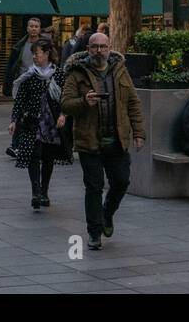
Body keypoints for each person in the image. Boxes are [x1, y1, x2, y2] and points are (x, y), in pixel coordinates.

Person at [61, 31, 146, 250]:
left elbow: (133, 103)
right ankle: (94, 232)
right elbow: (65, 104)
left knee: (121, 182)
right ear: (88, 49)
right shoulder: (76, 73)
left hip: (117, 140)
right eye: (95, 47)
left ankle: (107, 213)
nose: (99, 51)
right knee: (94, 187)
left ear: (109, 48)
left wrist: (138, 132)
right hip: (89, 141)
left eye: (103, 46)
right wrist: (83, 101)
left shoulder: (120, 71)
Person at [7, 38, 72, 210]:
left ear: (47, 54)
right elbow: (20, 100)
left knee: (48, 157)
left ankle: (44, 191)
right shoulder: (29, 75)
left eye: (37, 53)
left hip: (51, 123)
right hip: (32, 122)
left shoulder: (58, 74)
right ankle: (36, 192)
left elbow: (66, 97)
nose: (34, 57)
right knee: (34, 156)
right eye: (33, 54)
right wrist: (13, 120)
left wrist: (63, 114)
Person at [2, 17, 44, 97]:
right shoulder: (19, 46)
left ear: (39, 29)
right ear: (27, 29)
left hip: (40, 82)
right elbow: (10, 67)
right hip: (22, 82)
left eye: (36, 26)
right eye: (31, 26)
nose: (34, 29)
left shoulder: (45, 46)